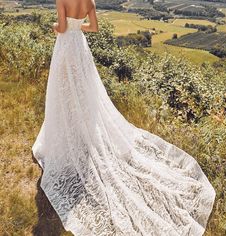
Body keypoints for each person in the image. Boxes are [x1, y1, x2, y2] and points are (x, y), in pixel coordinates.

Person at [32, 0, 216, 235]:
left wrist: (55, 26)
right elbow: (93, 28)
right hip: (80, 47)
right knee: (85, 94)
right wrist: (78, 27)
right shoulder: (89, 1)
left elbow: (61, 28)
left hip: (66, 48)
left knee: (65, 93)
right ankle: (82, 133)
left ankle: (68, 132)